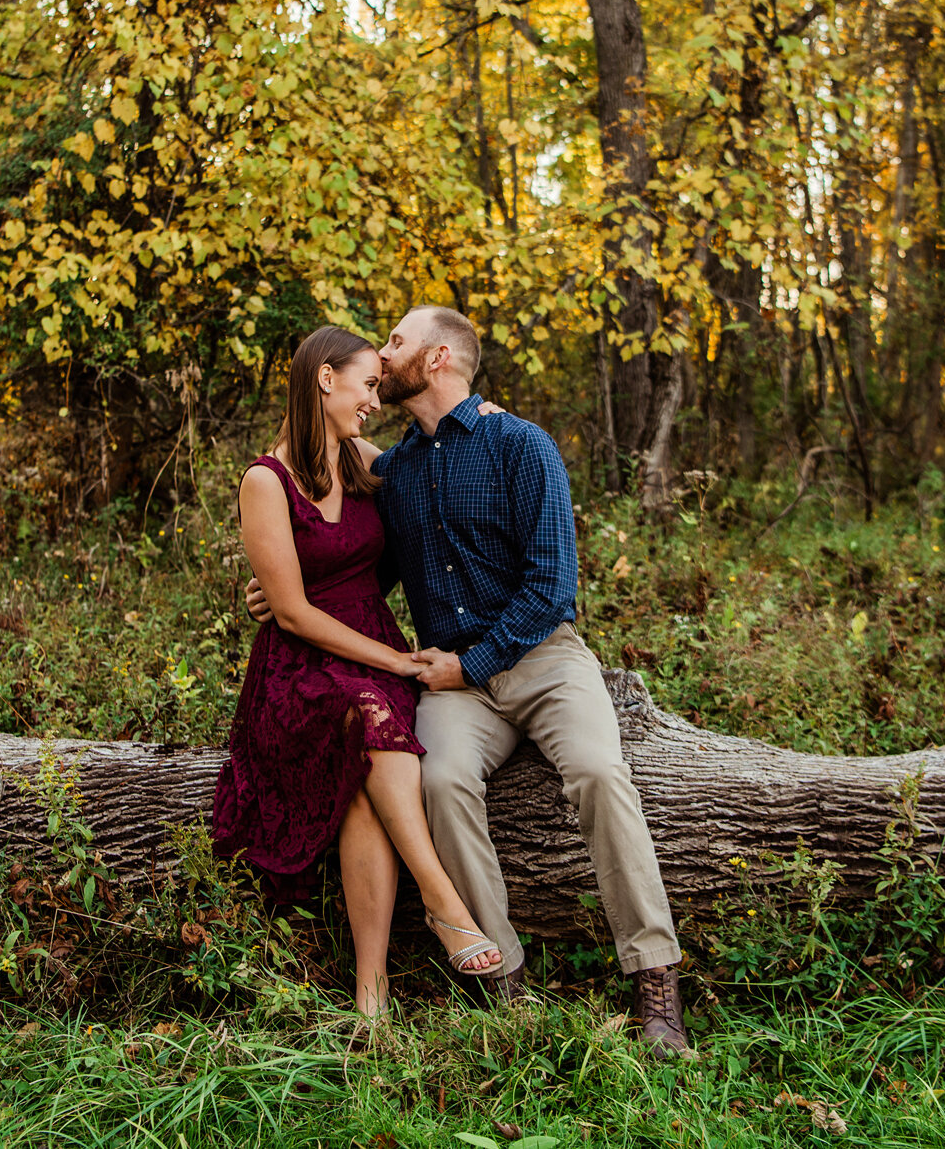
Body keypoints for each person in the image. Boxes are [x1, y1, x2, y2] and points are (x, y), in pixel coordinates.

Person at [249, 307, 692, 1057]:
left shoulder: (522, 445)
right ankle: (506, 981)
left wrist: (473, 663)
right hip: (451, 677)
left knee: (597, 769)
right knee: (442, 782)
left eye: (395, 341)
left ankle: (654, 978)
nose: (382, 355)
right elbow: (337, 539)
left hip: (541, 658)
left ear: (440, 356)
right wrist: (278, 590)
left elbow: (553, 585)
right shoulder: (390, 469)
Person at [211, 324, 504, 1022]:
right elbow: (292, 614)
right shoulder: (265, 480)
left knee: (365, 783)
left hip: (372, 649)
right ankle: (443, 900)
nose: (375, 399)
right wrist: (397, 660)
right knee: (369, 713)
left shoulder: (367, 460)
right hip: (303, 668)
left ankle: (371, 997)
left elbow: (434, 477)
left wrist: (484, 425)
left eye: (379, 385)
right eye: (367, 383)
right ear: (324, 379)